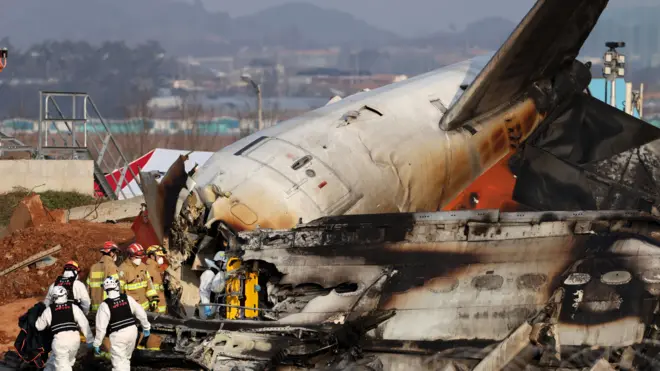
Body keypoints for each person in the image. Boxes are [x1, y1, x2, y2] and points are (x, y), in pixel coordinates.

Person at [93, 276, 151, 371]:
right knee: (126, 359)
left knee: (119, 363)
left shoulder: (104, 305)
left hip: (118, 335)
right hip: (132, 332)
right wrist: (146, 327)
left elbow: (101, 328)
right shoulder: (127, 298)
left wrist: (97, 343)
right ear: (117, 286)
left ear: (105, 289)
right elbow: (141, 313)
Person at [35, 286, 94, 371]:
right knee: (55, 361)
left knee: (62, 366)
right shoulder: (73, 307)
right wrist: (90, 340)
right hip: (75, 340)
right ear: (66, 294)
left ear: (53, 297)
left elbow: (39, 327)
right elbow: (84, 323)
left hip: (60, 342)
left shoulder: (50, 310)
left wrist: (36, 317)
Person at [117, 243, 158, 311]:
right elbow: (119, 291)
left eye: (140, 257)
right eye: (137, 257)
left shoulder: (143, 266)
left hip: (145, 309)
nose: (139, 259)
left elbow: (149, 284)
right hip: (132, 310)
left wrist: (153, 299)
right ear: (130, 256)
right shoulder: (123, 270)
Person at [87, 241, 120, 313]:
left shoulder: (93, 267)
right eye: (115, 253)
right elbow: (117, 288)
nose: (115, 255)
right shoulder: (112, 267)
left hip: (95, 308)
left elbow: (88, 288)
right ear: (111, 253)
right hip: (108, 308)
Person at [199, 251, 227, 319]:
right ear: (216, 261)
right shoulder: (209, 273)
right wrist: (207, 306)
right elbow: (204, 291)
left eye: (223, 262)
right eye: (220, 262)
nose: (222, 264)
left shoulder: (221, 274)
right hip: (207, 306)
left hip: (216, 305)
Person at [145, 245, 167, 314]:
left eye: (162, 257)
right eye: (159, 256)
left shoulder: (156, 268)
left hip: (160, 308)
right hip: (156, 310)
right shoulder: (150, 269)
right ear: (152, 256)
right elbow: (149, 289)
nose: (161, 259)